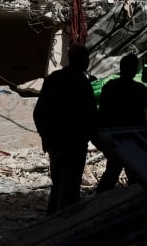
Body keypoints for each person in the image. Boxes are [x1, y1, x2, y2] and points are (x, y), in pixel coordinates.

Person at [33, 43, 98, 214]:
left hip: (55, 143)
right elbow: (91, 115)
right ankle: (65, 227)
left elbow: (38, 112)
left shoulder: (53, 79)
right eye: (87, 59)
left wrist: (45, 137)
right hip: (74, 145)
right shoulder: (82, 83)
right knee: (70, 188)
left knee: (58, 183)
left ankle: (51, 220)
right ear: (83, 60)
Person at [95, 53, 147, 192]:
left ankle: (100, 199)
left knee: (113, 170)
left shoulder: (109, 86)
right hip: (133, 137)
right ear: (135, 70)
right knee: (133, 173)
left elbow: (102, 111)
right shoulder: (139, 89)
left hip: (113, 135)